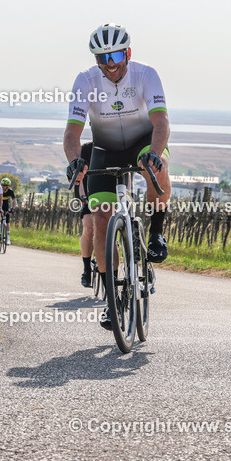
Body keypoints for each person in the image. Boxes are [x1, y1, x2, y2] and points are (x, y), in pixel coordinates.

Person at [63, 24, 171, 330]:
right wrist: (74, 162)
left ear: (128, 53)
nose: (110, 63)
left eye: (117, 55)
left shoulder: (146, 75)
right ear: (95, 59)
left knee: (157, 169)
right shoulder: (85, 81)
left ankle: (156, 233)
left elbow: (161, 121)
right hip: (104, 148)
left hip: (143, 142)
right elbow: (72, 131)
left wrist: (154, 153)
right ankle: (112, 298)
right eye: (103, 57)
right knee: (100, 219)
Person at [75, 141, 95, 288]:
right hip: (89, 194)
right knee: (89, 228)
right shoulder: (86, 149)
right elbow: (79, 178)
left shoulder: (117, 145)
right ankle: (87, 269)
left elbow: (127, 175)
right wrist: (83, 198)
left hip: (112, 193)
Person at [0, 177, 16, 245]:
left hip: (6, 206)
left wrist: (12, 209)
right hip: (0, 206)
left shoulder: (10, 191)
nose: (3, 186)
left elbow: (14, 201)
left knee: (7, 221)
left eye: (4, 185)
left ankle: (8, 238)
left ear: (8, 186)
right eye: (2, 185)